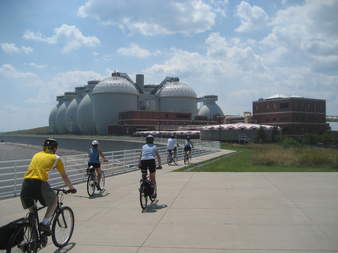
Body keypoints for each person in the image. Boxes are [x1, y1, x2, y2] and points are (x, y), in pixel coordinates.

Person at [20, 138, 76, 234]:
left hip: (26, 183)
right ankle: (44, 223)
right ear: (55, 149)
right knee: (54, 201)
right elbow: (64, 176)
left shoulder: (36, 155)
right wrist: (72, 188)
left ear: (44, 147)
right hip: (39, 183)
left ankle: (33, 236)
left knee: (33, 213)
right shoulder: (56, 158)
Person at [139, 135, 162, 199]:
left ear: (146, 140)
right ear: (152, 140)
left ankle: (142, 187)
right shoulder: (154, 146)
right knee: (153, 178)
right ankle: (154, 193)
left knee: (144, 175)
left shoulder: (143, 146)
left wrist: (139, 163)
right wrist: (159, 165)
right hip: (151, 161)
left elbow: (141, 156)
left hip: (143, 161)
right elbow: (158, 157)